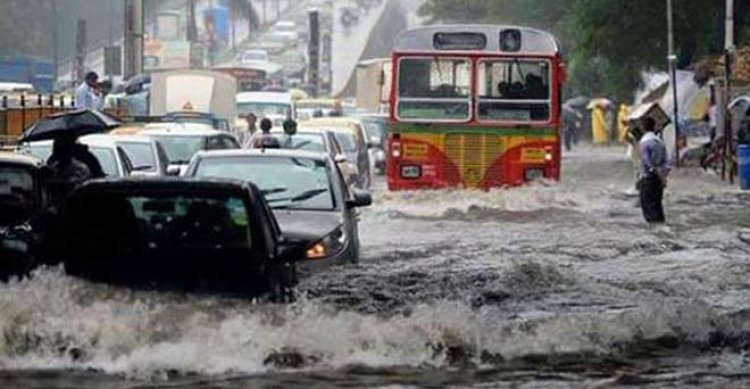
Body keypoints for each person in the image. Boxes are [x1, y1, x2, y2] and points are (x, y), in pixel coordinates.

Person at [638, 117, 669, 224]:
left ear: (642, 128)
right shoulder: (660, 142)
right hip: (658, 180)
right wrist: (663, 176)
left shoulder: (644, 143)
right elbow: (666, 162)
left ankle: (653, 234)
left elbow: (647, 163)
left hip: (648, 178)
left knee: (648, 207)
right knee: (657, 205)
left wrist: (656, 172)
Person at [46, 134, 91, 207]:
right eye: (57, 148)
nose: (58, 151)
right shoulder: (53, 168)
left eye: (62, 148)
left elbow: (74, 188)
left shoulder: (81, 169)